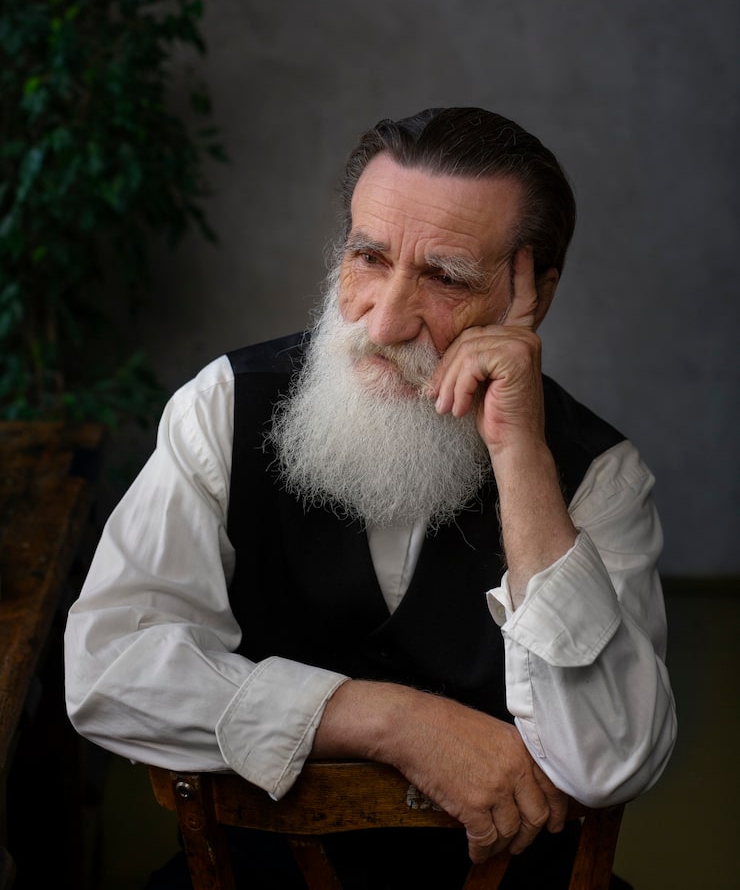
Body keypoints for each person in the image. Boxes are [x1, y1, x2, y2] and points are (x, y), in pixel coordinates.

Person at [64, 106, 676, 889]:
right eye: (369, 257)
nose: (384, 322)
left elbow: (612, 760)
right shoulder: (223, 406)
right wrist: (392, 722)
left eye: (445, 278)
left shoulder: (600, 473)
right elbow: (108, 670)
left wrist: (521, 454)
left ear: (534, 295)